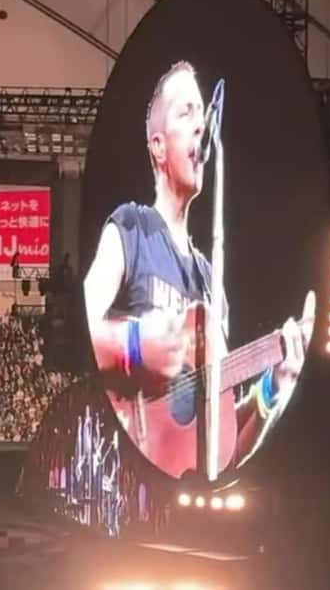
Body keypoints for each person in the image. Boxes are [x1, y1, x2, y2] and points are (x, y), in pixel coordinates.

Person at [83, 61, 309, 479]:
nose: (200, 127)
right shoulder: (130, 229)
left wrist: (274, 387)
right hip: (123, 476)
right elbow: (86, 324)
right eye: (185, 113)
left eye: (201, 114)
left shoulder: (211, 285)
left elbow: (226, 450)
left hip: (184, 499)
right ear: (157, 144)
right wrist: (138, 343)